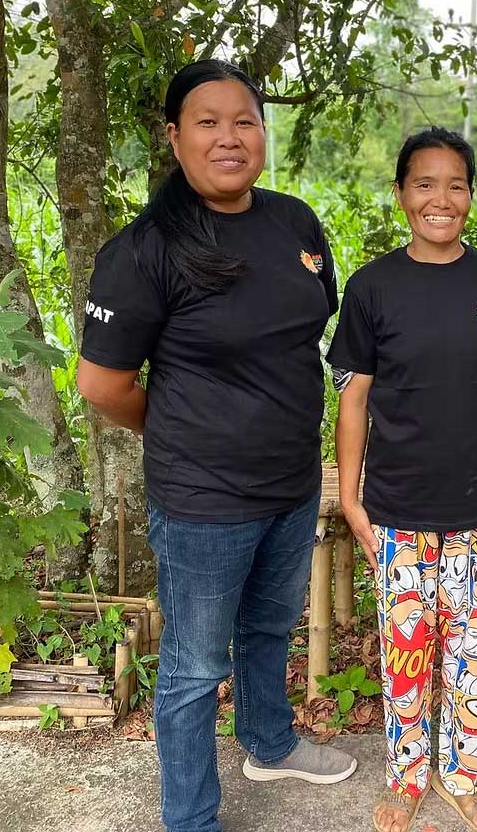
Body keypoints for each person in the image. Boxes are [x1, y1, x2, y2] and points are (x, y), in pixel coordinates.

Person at [76, 59, 356, 832]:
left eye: (245, 120)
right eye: (208, 122)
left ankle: (269, 741)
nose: (230, 137)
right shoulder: (144, 251)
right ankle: (191, 817)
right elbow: (102, 387)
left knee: (269, 629)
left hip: (293, 483)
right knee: (196, 669)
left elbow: (305, 335)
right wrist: (175, 433)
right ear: (174, 137)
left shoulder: (295, 222)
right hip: (203, 503)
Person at [328, 127, 477, 832]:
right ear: (400, 195)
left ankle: (466, 776)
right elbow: (353, 397)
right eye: (424, 184)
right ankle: (406, 775)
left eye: (455, 184)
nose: (440, 199)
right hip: (396, 512)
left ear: (471, 197)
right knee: (407, 654)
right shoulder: (372, 287)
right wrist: (353, 497)